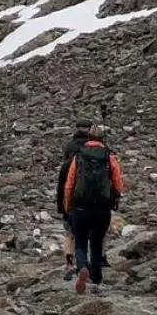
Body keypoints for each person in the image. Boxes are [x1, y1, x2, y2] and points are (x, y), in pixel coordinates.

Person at [59, 123, 124, 294]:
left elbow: (70, 183)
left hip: (80, 206)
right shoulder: (109, 157)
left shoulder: (78, 156)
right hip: (102, 208)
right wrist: (114, 198)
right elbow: (118, 182)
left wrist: (67, 204)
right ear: (102, 138)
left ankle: (82, 267)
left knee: (80, 241)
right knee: (96, 242)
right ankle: (96, 277)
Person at [55, 117, 94, 279]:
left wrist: (62, 205)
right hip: (93, 199)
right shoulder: (98, 151)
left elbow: (63, 184)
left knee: (70, 232)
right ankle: (90, 262)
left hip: (72, 200)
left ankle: (70, 263)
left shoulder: (69, 151)